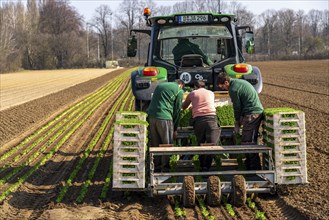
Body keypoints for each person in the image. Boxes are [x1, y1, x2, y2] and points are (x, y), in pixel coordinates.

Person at [216, 72, 264, 170]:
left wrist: (237, 122)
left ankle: (254, 168)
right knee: (249, 140)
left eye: (222, 87)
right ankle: (249, 164)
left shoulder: (233, 89)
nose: (223, 89)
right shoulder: (239, 82)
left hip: (252, 113)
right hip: (253, 112)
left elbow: (237, 107)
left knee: (248, 141)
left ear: (226, 82)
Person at [182, 80, 220, 171]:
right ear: (204, 86)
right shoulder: (211, 93)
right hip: (212, 119)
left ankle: (202, 165)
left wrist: (192, 107)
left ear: (195, 86)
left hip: (199, 121)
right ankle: (207, 166)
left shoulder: (192, 93)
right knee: (212, 144)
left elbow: (184, 107)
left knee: (201, 143)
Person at [147, 79, 185, 172]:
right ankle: (165, 168)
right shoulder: (179, 90)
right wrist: (175, 128)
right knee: (166, 144)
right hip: (164, 117)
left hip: (152, 117)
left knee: (155, 143)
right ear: (181, 85)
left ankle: (156, 167)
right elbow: (177, 111)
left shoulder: (160, 86)